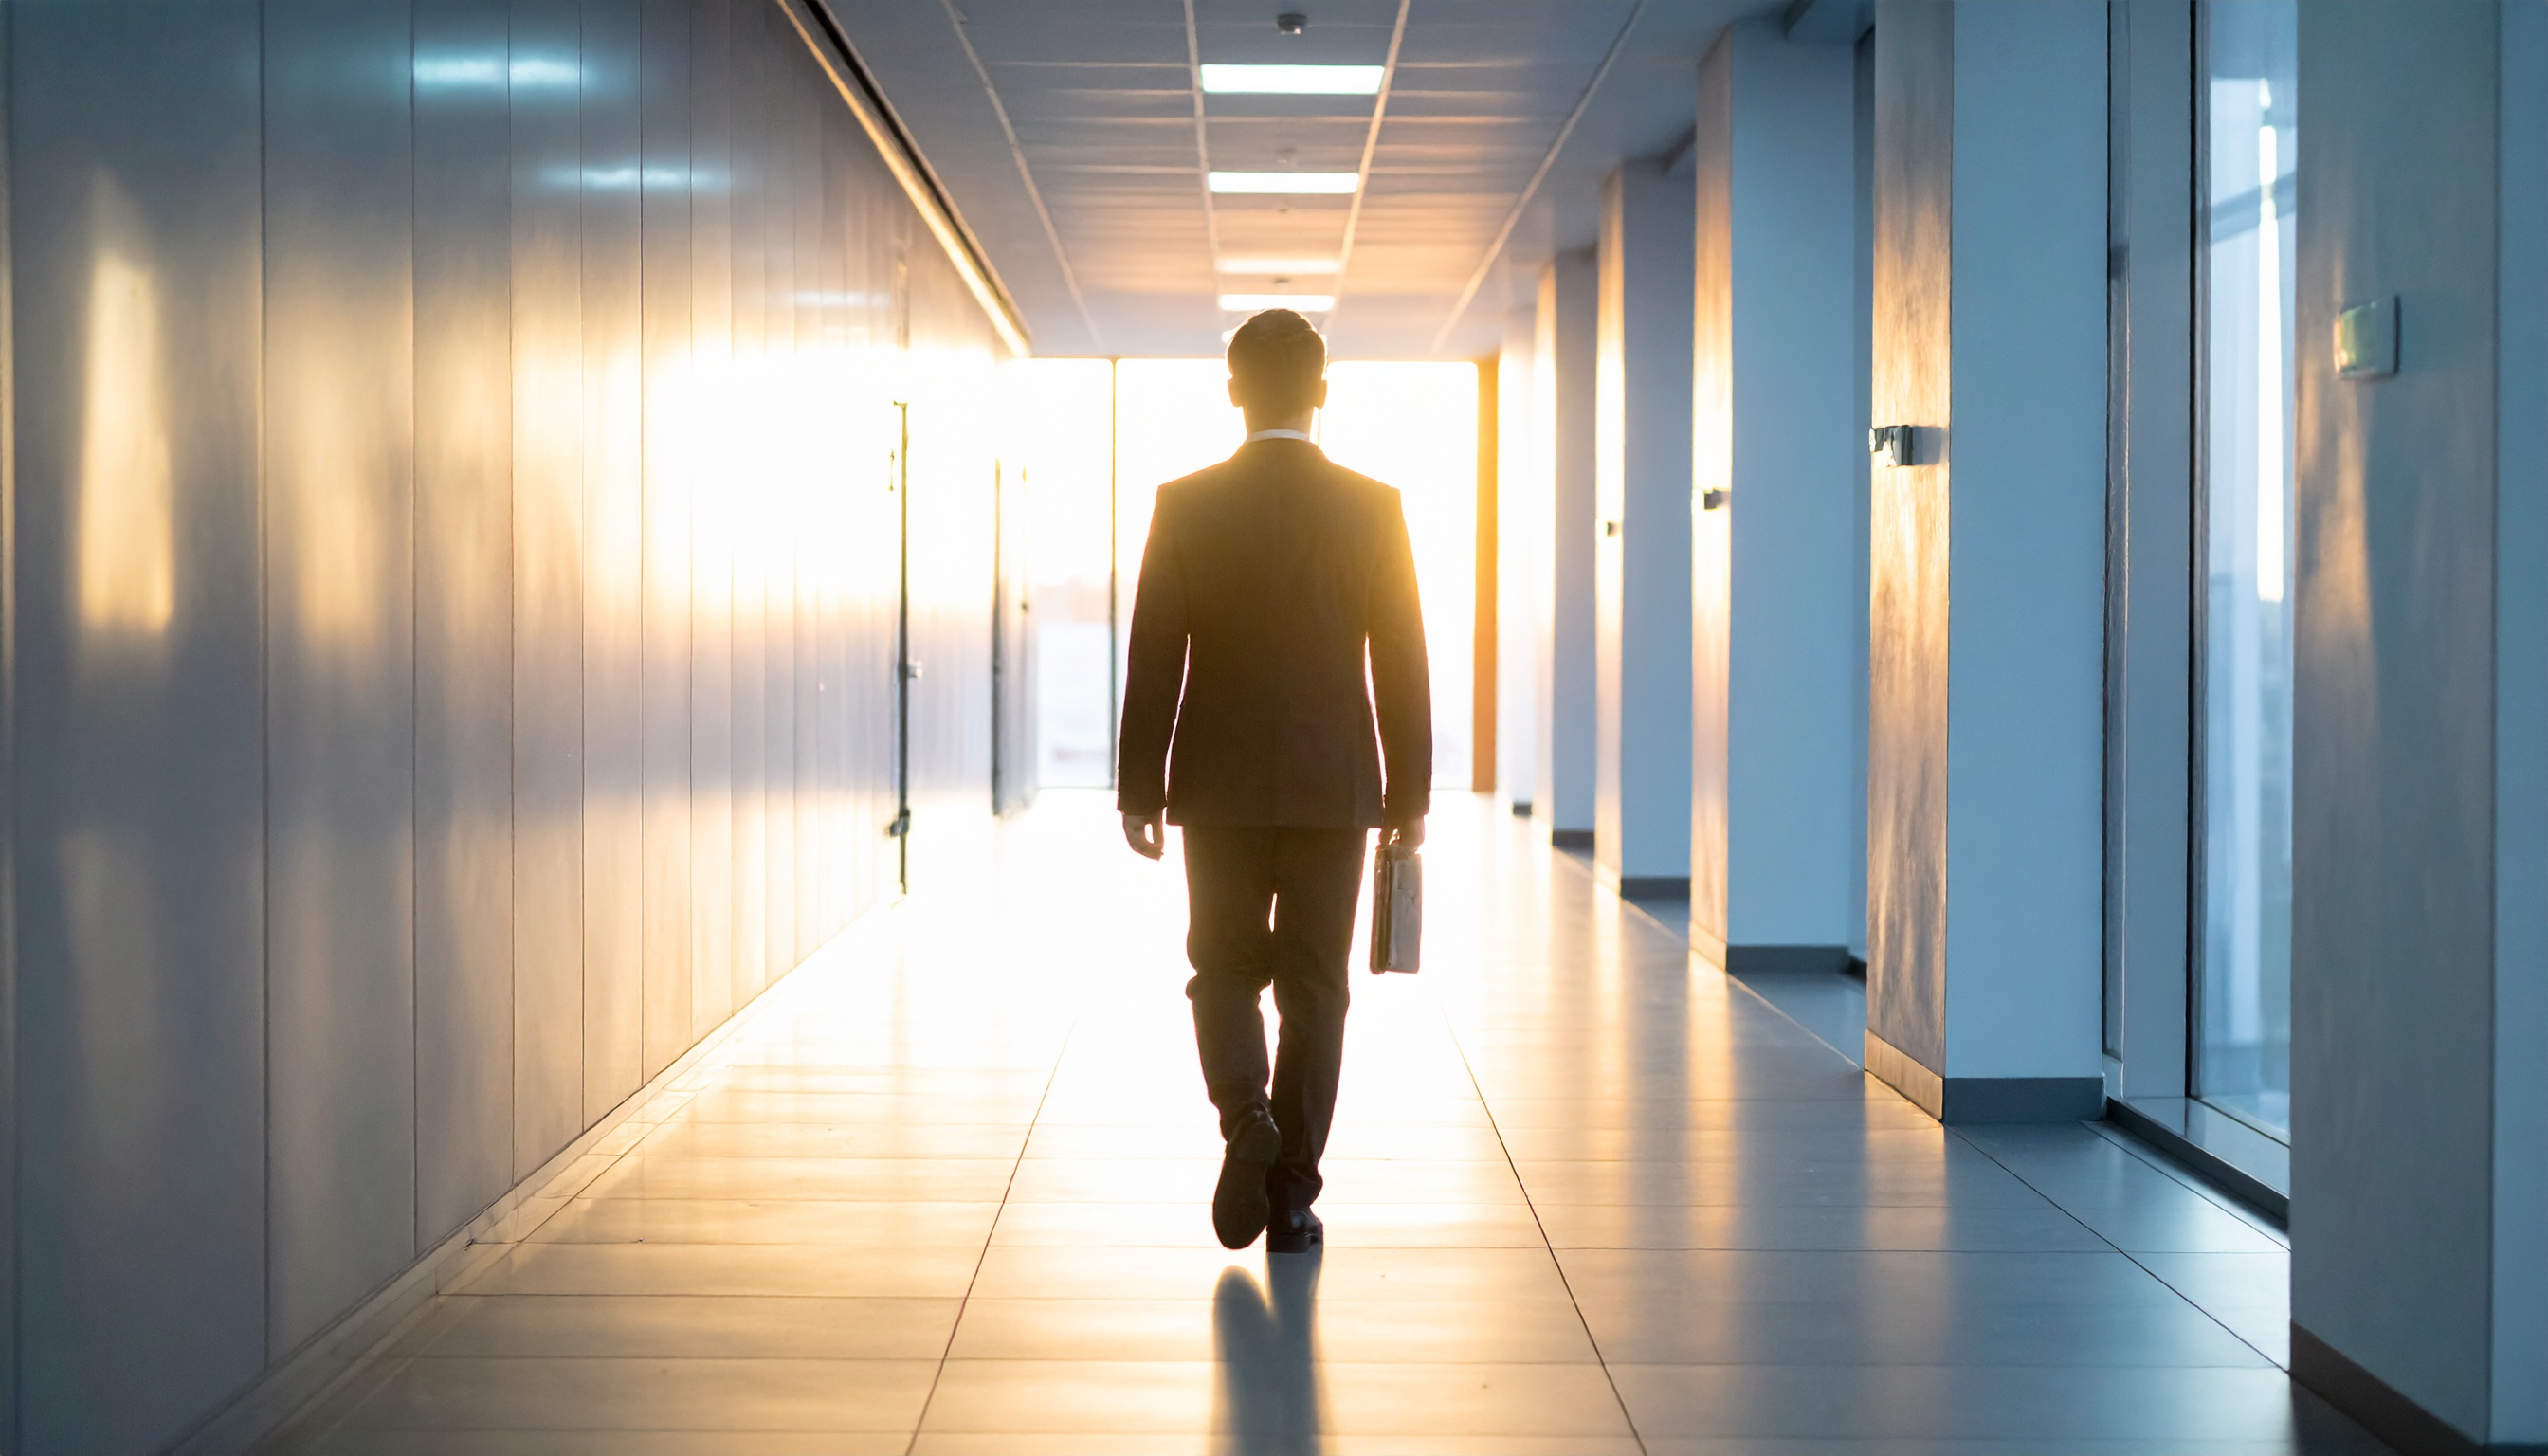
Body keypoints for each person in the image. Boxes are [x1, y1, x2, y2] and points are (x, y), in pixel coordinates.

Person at [1117, 308, 1432, 1254]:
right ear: (1322, 394)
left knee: (1220, 968)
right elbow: (1403, 663)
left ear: (1234, 392)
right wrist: (1408, 798)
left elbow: (1154, 657)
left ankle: (1243, 1115)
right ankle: (1293, 1195)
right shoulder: (1375, 506)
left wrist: (1141, 788)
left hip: (1215, 785)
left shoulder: (1185, 502)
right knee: (1316, 989)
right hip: (1334, 787)